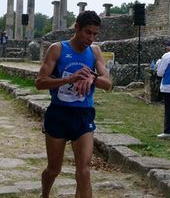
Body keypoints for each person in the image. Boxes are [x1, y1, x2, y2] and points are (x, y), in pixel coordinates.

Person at [35, 10, 112, 198]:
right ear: (76, 27)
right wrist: (69, 79)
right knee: (54, 169)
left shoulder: (95, 52)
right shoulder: (57, 49)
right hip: (58, 114)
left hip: (83, 115)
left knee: (84, 171)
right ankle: (44, 194)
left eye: (95, 34)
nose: (91, 38)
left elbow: (108, 84)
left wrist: (92, 78)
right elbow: (40, 82)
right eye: (87, 32)